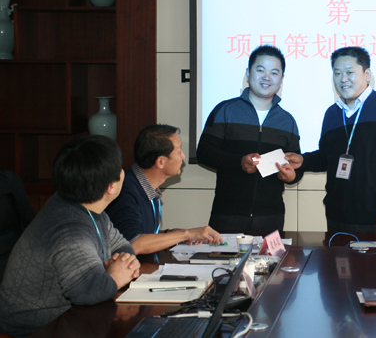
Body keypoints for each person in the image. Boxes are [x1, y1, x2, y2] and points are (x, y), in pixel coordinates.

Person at [0, 135, 140, 337]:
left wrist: (125, 261)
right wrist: (116, 277)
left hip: (68, 317)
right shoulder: (70, 230)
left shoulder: (84, 205)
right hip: (35, 328)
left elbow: (120, 244)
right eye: (120, 168)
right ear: (111, 187)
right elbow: (88, 292)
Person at [286, 46, 376, 233]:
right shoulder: (332, 113)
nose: (343, 79)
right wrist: (303, 160)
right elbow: (327, 157)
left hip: (375, 216)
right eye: (337, 73)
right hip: (336, 215)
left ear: (367, 74)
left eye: (350, 72)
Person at [197, 45, 302, 234]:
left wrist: (291, 176)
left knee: (271, 256)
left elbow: (296, 165)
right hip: (227, 215)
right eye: (260, 70)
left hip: (271, 217)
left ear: (281, 79)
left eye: (274, 73)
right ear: (248, 73)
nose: (267, 77)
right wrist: (239, 162)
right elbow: (204, 152)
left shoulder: (287, 121)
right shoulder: (225, 111)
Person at [107, 124, 222, 255]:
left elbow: (143, 234)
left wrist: (172, 234)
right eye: (179, 151)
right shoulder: (126, 192)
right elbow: (133, 244)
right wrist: (187, 234)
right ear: (161, 161)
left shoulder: (144, 186)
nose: (183, 156)